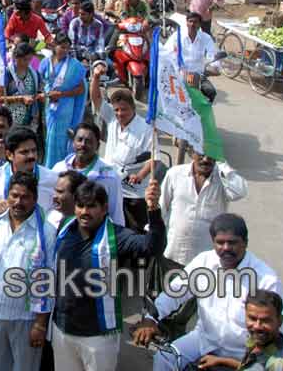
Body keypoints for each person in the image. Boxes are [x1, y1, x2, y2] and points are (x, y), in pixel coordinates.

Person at [134, 213, 283, 371]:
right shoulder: (204, 262)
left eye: (232, 242)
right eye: (220, 242)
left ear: (245, 243)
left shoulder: (266, 279)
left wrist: (248, 358)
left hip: (245, 352)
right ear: (212, 242)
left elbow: (281, 328)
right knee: (164, 358)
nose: (226, 248)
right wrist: (150, 318)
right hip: (203, 340)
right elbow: (174, 293)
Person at [50, 180, 166, 371]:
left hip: (97, 337)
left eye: (91, 206)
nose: (84, 212)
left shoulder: (118, 237)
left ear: (104, 208)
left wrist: (153, 210)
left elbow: (153, 247)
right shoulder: (65, 226)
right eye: (80, 205)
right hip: (63, 330)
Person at [0, 173, 56, 371]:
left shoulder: (46, 231)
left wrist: (40, 324)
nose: (18, 202)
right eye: (14, 195)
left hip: (26, 319)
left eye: (25, 197)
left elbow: (47, 280)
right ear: (7, 195)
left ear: (35, 199)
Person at [89, 71, 156, 230]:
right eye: (117, 110)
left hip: (133, 193)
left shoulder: (146, 129)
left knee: (134, 232)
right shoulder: (112, 118)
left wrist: (140, 175)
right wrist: (96, 77)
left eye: (124, 110)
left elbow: (154, 158)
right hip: (109, 184)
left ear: (133, 108)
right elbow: (96, 98)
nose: (120, 114)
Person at [159, 152, 248, 266]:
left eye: (211, 155)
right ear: (192, 152)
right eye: (201, 154)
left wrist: (222, 164)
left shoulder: (223, 180)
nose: (205, 159)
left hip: (206, 260)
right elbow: (161, 207)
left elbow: (240, 192)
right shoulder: (175, 174)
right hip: (174, 253)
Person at [38, 33, 87, 167]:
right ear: (54, 45)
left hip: (65, 107)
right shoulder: (45, 62)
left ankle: (60, 167)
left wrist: (62, 94)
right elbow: (41, 83)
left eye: (67, 48)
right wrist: (43, 94)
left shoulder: (74, 66)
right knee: (49, 137)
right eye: (62, 47)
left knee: (61, 138)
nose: (64, 51)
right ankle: (49, 166)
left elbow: (81, 90)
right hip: (49, 107)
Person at [164, 11, 220, 101]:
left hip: (198, 76)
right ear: (186, 23)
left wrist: (214, 66)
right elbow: (166, 52)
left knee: (211, 92)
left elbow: (212, 54)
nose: (192, 24)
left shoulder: (206, 38)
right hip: (179, 76)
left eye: (195, 22)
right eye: (190, 21)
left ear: (200, 24)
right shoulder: (177, 36)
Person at [0, 42, 42, 129]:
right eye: (24, 59)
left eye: (30, 59)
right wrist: (21, 98)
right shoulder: (7, 73)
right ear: (15, 57)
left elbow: (38, 92)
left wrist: (40, 96)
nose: (27, 62)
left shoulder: (34, 74)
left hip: (30, 120)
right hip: (11, 120)